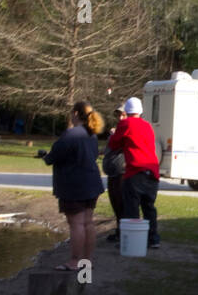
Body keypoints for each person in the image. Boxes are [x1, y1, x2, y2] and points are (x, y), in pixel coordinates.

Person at [39, 101, 105, 271]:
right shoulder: (92, 134)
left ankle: (75, 262)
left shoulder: (71, 134)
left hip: (74, 185)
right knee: (88, 223)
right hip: (92, 183)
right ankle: (87, 261)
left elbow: (52, 157)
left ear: (75, 113)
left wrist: (45, 156)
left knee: (76, 224)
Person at [107, 96, 160, 248]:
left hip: (135, 172)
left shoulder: (125, 124)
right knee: (149, 207)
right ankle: (153, 239)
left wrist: (115, 135)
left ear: (127, 111)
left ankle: (133, 242)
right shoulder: (147, 126)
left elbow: (113, 143)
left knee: (132, 208)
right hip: (152, 171)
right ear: (140, 111)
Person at [102, 106, 127, 243]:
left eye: (123, 115)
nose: (120, 118)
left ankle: (124, 234)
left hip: (122, 173)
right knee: (116, 203)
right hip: (113, 172)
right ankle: (119, 231)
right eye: (119, 115)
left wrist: (115, 135)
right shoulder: (117, 130)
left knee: (122, 203)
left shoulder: (129, 129)